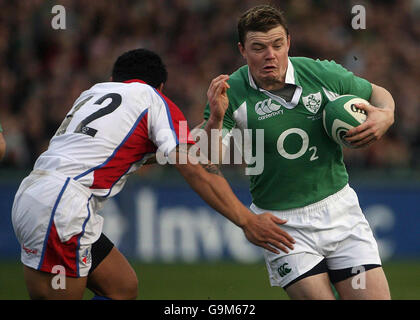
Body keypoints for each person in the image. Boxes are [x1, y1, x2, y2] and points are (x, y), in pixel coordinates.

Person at [11, 48, 293, 300]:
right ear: (161, 86)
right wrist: (246, 220)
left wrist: (214, 121)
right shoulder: (153, 99)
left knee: (122, 287)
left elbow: (156, 153)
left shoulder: (92, 95)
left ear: (116, 78)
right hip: (63, 207)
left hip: (34, 194)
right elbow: (193, 165)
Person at [199, 5, 394, 300]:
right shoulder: (231, 92)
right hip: (283, 226)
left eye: (277, 45)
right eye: (259, 47)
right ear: (242, 49)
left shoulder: (320, 73)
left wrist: (386, 114)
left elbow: (378, 92)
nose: (270, 55)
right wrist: (214, 119)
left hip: (340, 211)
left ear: (288, 41)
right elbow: (208, 159)